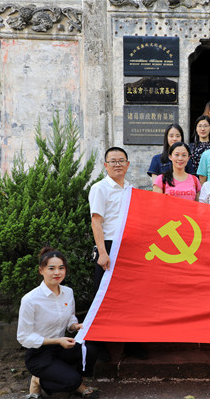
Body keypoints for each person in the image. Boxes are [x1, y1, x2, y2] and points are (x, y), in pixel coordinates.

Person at [88, 147, 147, 361]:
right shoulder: (100, 188)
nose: (117, 164)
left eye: (121, 161)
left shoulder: (131, 189)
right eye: (112, 161)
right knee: (102, 297)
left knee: (132, 296)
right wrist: (102, 253)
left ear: (128, 164)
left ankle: (133, 343)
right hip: (109, 246)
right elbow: (96, 221)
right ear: (105, 165)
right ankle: (96, 345)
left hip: (130, 247)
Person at [17, 247, 99, 399]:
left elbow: (70, 319)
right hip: (39, 353)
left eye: (61, 268)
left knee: (91, 350)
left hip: (61, 348)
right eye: (51, 268)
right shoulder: (30, 299)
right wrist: (57, 340)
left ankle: (72, 380)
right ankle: (40, 380)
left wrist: (74, 326)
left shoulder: (68, 292)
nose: (57, 272)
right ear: (41, 270)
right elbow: (23, 337)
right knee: (71, 380)